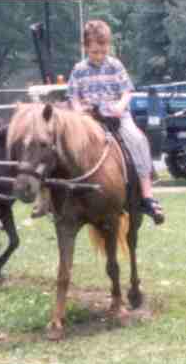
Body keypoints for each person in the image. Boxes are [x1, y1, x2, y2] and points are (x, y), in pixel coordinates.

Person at [68, 19, 164, 221]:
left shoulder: (115, 65)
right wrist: (77, 110)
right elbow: (74, 97)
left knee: (138, 140)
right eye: (94, 52)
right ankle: (61, 195)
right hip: (89, 118)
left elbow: (127, 91)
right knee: (66, 145)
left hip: (116, 115)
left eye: (103, 51)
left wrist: (120, 106)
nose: (99, 56)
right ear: (85, 47)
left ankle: (147, 195)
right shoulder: (78, 69)